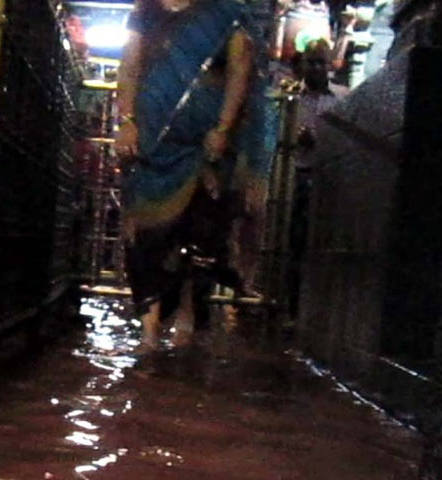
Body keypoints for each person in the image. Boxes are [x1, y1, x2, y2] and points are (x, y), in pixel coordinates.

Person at [115, 0, 274, 353]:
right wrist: (126, 122)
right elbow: (129, 68)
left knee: (196, 235)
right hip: (152, 142)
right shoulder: (145, 12)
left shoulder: (224, 13)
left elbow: (239, 68)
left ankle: (186, 320)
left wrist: (223, 127)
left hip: (205, 149)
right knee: (145, 236)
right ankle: (149, 330)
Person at [286, 38, 343, 320]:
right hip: (294, 176)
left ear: (330, 65)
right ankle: (289, 305)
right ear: (303, 64)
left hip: (327, 177)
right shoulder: (290, 99)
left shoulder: (341, 100)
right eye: (312, 62)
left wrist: (317, 140)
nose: (317, 68)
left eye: (322, 62)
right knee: (291, 242)